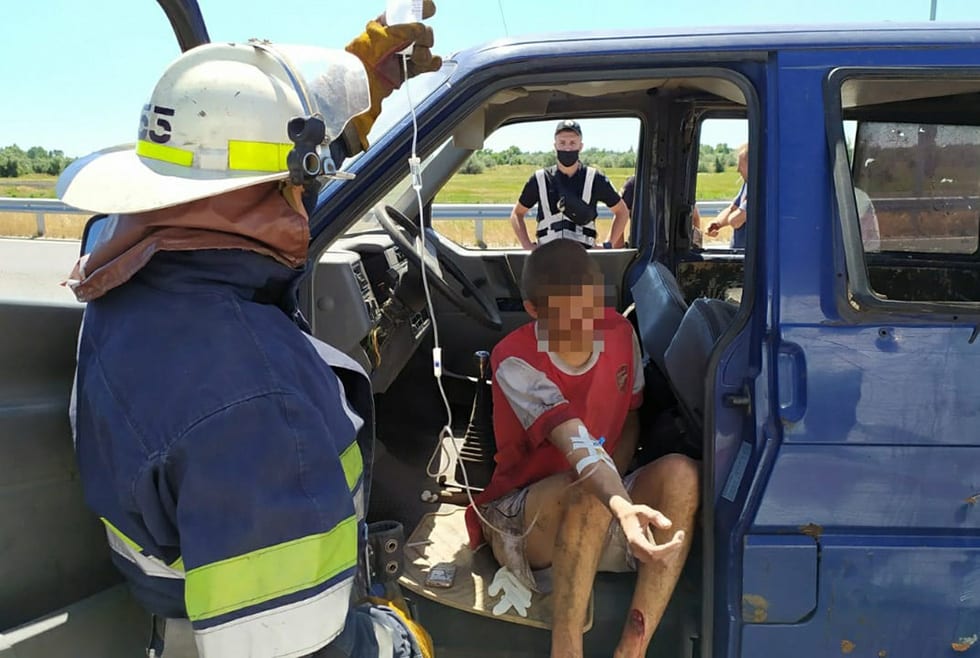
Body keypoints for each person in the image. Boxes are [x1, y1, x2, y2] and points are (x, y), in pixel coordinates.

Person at [57, 6, 442, 657]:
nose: (313, 194)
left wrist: (358, 88)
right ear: (281, 190)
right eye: (307, 180)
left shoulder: (136, 266)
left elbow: (247, 169)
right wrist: (394, 638)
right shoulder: (262, 411)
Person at [464, 239, 700, 658]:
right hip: (522, 519)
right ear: (535, 311)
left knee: (682, 475)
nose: (588, 321)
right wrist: (622, 508)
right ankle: (566, 649)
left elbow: (630, 418)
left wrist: (619, 496)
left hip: (600, 500)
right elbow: (574, 441)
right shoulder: (514, 359)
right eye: (570, 312)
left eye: (592, 306)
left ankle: (634, 645)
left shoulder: (621, 333)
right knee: (588, 488)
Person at [509, 120, 630, 250]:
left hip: (584, 258)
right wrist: (527, 246)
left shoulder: (594, 178)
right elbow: (517, 214)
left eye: (573, 143)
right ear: (555, 146)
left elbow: (621, 212)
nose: (567, 148)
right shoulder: (540, 179)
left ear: (581, 146)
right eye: (562, 143)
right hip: (546, 258)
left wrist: (608, 245)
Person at [620, 173, 701, 230]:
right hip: (642, 247)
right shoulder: (632, 185)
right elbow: (695, 217)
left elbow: (694, 217)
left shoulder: (633, 184)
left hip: (671, 247)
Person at [706, 143, 748, 248]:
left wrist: (733, 217)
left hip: (751, 257)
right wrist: (717, 223)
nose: (737, 169)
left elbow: (735, 221)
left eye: (741, 164)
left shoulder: (760, 190)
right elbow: (732, 208)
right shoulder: (747, 185)